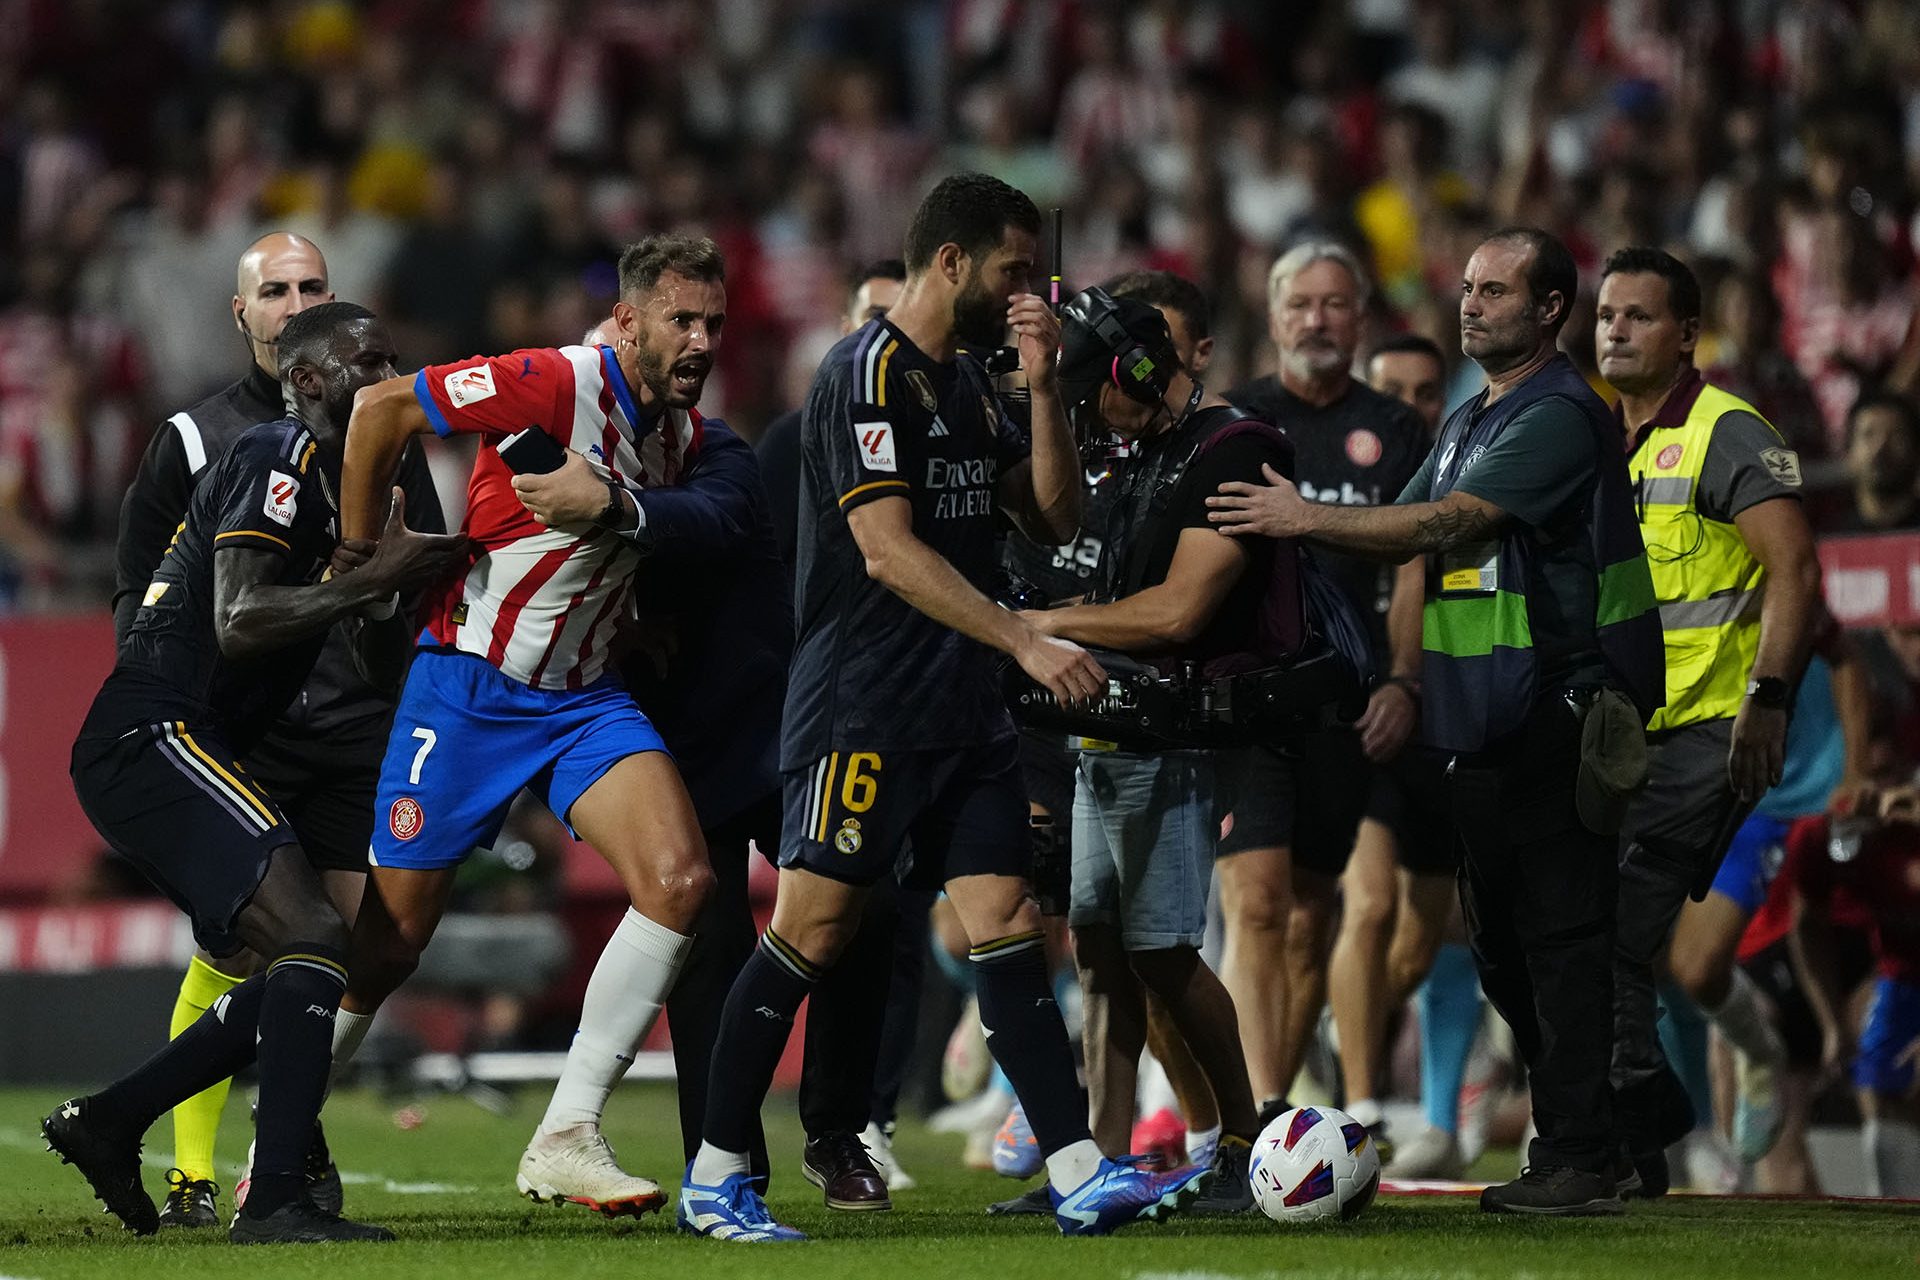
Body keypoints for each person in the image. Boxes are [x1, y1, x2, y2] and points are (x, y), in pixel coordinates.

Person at [680, 172, 1208, 1243]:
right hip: (863, 707)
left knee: (1005, 922)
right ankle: (717, 1171)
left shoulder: (973, 381)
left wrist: (1049, 387)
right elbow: (885, 548)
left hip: (962, 710)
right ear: (953, 262)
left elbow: (1053, 513)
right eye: (1016, 270)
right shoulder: (863, 372)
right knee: (811, 929)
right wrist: (1023, 636)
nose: (1032, 291)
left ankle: (1074, 1167)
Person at [1209, 227, 1666, 1216]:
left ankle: (1583, 1151)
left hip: (1560, 709)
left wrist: (1298, 517)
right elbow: (1397, 528)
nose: (1470, 303)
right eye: (1466, 286)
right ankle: (1609, 1123)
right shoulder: (1469, 417)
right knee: (1502, 940)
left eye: (1496, 290)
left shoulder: (1558, 416)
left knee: (1559, 935)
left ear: (1550, 310)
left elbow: (1438, 524)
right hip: (1482, 727)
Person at [327, 234, 735, 1219]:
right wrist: (356, 551)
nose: (701, 341)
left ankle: (567, 1131)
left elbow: (598, 544)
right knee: (389, 945)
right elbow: (381, 407)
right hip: (468, 686)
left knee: (682, 881)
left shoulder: (681, 433)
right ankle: (279, 1131)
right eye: (682, 319)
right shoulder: (551, 381)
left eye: (714, 323)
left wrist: (636, 623)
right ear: (628, 319)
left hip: (581, 698)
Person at [46, 301, 467, 1244]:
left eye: (396, 358)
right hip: (152, 731)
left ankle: (113, 1121)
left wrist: (386, 586)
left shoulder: (358, 481)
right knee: (313, 931)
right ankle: (275, 1197)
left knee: (316, 953)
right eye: (368, 361)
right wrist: (369, 577)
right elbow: (238, 620)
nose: (388, 375)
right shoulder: (277, 454)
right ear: (308, 380)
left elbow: (372, 667)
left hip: (194, 740)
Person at [1021, 280, 1327, 1215]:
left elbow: (1182, 609)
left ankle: (1242, 1134)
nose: (1090, 417)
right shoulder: (1141, 451)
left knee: (1161, 952)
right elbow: (1059, 517)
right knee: (1102, 953)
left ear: (1140, 372)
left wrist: (1036, 625)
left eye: (1091, 395)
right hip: (1112, 727)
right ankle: (1097, 1161)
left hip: (1183, 732)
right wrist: (1041, 393)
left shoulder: (1235, 450)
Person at [1596, 247, 1821, 1193]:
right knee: (1609, 939)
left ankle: (1638, 1131)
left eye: (1638, 316)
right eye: (1606, 314)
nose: (1614, 330)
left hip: (1710, 730)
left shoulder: (1725, 429)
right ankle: (1643, 1139)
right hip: (1623, 731)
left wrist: (1767, 702)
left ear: (1687, 334)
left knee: (1608, 934)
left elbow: (1796, 568)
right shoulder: (1606, 439)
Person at [1224, 243, 1429, 1137]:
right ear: (1273, 316)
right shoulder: (1233, 420)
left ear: (1361, 318)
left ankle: (1274, 1111)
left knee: (1313, 915)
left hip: (1350, 707)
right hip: (1252, 703)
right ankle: (1251, 1118)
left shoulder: (1399, 428)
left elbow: (1419, 562)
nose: (1317, 319)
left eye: (1335, 304)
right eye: (1300, 303)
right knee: (1257, 905)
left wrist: (1403, 680)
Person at [1335, 331, 1476, 1178]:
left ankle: (1343, 1025)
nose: (1413, 409)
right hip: (1361, 727)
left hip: (1444, 729)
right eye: (1396, 391)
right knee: (1368, 906)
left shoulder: (1469, 481)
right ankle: (1361, 1109)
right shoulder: (1339, 485)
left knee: (1423, 947)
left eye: (1429, 393)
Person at [1785, 785, 1920, 1196]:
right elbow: (1808, 926)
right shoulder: (1822, 835)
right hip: (1902, 976)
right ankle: (1895, 1221)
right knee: (1881, 1083)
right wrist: (1832, 1025)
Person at [1834, 392, 1920, 534]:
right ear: (1847, 453)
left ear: (1916, 450)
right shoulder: (1830, 540)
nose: (1880, 447)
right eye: (1868, 434)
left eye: (1896, 435)